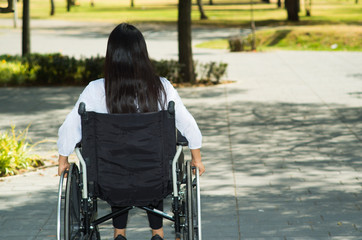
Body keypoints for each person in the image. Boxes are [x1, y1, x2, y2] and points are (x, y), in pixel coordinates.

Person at [57, 23, 205, 240]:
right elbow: (189, 125)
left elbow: (70, 128)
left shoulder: (95, 90)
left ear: (111, 55)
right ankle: (158, 233)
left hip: (108, 180)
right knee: (154, 159)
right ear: (142, 54)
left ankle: (119, 234)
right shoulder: (162, 88)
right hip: (155, 179)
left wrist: (63, 160)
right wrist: (196, 159)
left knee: (118, 160)